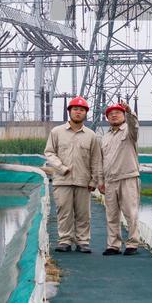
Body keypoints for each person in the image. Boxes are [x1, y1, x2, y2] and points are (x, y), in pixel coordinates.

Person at [44, 96, 103, 253]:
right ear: (69, 112)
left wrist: (94, 180)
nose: (78, 112)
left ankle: (83, 242)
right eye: (75, 109)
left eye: (82, 110)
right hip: (62, 180)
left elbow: (96, 160)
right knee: (64, 212)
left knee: (83, 213)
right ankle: (65, 241)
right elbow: (49, 153)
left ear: (85, 114)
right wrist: (61, 167)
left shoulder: (91, 136)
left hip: (83, 181)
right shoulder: (56, 132)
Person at [99, 101, 140, 256]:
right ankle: (113, 245)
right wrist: (100, 181)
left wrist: (130, 112)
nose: (114, 115)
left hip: (127, 177)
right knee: (111, 214)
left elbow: (134, 125)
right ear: (107, 118)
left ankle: (132, 244)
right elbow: (101, 160)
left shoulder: (129, 132)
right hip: (110, 181)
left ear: (124, 115)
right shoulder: (104, 137)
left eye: (118, 112)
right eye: (110, 114)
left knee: (131, 212)